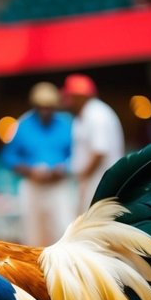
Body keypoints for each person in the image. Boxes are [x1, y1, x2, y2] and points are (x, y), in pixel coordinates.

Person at [2, 82, 74, 246]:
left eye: (49, 107)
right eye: (41, 107)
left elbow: (76, 154)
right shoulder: (23, 124)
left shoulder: (66, 123)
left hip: (58, 185)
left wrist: (64, 167)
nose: (45, 111)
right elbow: (8, 156)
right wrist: (28, 170)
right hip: (32, 185)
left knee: (64, 230)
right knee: (32, 233)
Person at [63, 73, 124, 208]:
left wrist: (83, 176)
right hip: (92, 182)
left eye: (70, 96)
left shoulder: (96, 114)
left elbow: (99, 151)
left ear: (80, 96)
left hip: (99, 183)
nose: (67, 101)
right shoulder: (84, 114)